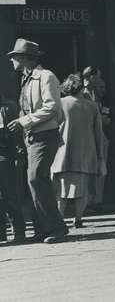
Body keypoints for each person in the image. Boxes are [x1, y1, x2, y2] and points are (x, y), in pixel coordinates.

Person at [5, 38, 68, 244]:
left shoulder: (45, 76)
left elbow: (52, 107)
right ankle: (43, 228)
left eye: (14, 57)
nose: (12, 61)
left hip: (44, 135)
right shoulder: (26, 78)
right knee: (34, 181)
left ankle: (57, 228)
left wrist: (24, 121)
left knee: (36, 178)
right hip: (31, 137)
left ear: (24, 58)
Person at [51, 73, 105, 229]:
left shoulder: (59, 104)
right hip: (85, 153)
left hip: (61, 152)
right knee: (82, 190)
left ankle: (59, 220)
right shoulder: (92, 106)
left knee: (61, 191)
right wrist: (100, 156)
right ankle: (78, 219)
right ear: (81, 88)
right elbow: (98, 133)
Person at [82, 66, 110, 211]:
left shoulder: (96, 95)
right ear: (91, 77)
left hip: (100, 134)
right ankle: (88, 201)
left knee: (100, 168)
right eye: (98, 77)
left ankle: (97, 199)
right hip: (90, 136)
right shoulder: (84, 94)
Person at [0, 88, 26, 244]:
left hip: (5, 155)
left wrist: (19, 151)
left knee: (9, 194)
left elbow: (16, 134)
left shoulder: (8, 107)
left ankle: (18, 231)